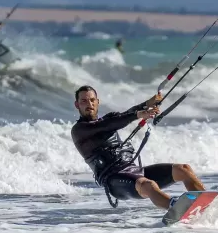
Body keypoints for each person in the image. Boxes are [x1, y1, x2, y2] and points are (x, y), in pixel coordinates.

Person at [71, 85, 206, 210]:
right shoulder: (79, 130)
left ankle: (205, 204)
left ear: (97, 102)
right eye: (84, 101)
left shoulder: (108, 118)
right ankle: (176, 208)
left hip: (134, 170)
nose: (89, 104)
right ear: (77, 105)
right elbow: (108, 125)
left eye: (92, 100)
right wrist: (138, 115)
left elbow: (124, 115)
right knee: (149, 185)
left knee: (183, 169)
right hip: (113, 179)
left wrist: (148, 104)